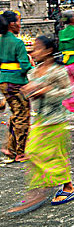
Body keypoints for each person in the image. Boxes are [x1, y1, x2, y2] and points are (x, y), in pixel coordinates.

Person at [7, 36, 74, 215]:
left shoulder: (58, 71)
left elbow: (68, 92)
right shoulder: (34, 71)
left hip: (56, 120)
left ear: (48, 51)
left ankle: (62, 188)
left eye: (37, 48)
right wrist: (28, 91)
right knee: (33, 152)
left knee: (47, 154)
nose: (33, 52)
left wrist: (47, 91)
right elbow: (31, 89)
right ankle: (41, 189)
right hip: (40, 120)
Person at [0, 11, 32, 163]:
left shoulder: (1, 41)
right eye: (18, 21)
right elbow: (25, 66)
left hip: (4, 81)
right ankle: (19, 151)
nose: (20, 24)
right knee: (22, 116)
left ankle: (10, 148)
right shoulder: (17, 43)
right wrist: (31, 63)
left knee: (15, 113)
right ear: (12, 24)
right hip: (17, 82)